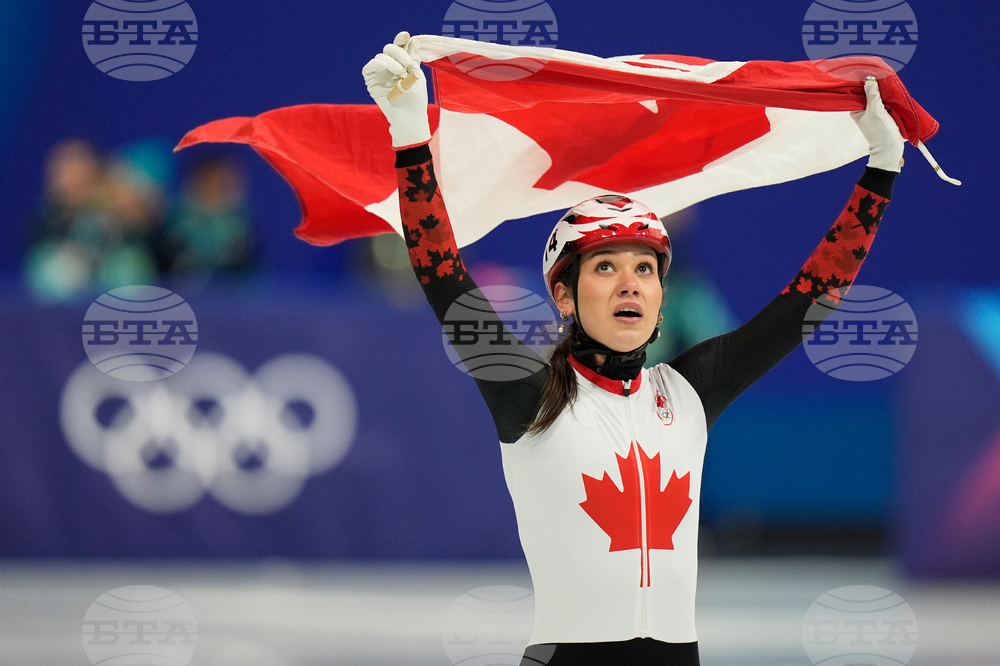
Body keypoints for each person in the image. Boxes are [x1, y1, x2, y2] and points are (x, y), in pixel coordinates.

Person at [363, 32, 904, 666]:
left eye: (645, 269)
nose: (629, 283)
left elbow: (806, 303)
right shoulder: (530, 399)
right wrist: (408, 133)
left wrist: (881, 171)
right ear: (564, 298)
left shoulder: (689, 392)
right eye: (605, 267)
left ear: (661, 296)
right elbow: (441, 272)